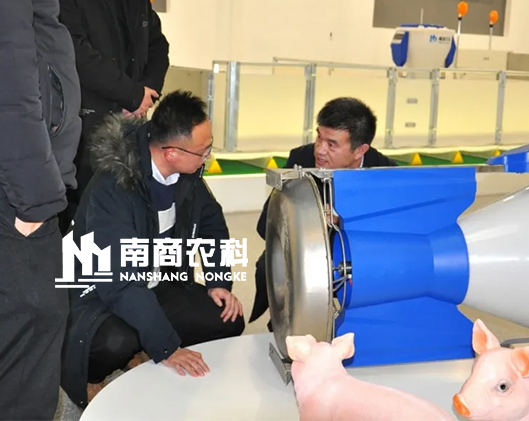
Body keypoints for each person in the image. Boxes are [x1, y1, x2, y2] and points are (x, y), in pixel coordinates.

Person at [60, 90, 245, 408]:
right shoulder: (114, 186)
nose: (208, 157)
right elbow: (119, 282)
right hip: (98, 293)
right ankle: (94, 375)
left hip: (156, 282)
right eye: (204, 151)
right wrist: (167, 347)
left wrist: (217, 280)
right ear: (172, 152)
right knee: (117, 341)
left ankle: (142, 347)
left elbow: (212, 227)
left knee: (227, 318)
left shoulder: (188, 176)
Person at [0, 0, 82, 419]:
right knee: (27, 353)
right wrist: (37, 199)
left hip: (17, 181)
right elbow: (10, 72)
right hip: (18, 188)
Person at [249, 97, 398, 329]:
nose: (320, 149)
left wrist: (345, 221)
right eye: (319, 137)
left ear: (360, 150)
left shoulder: (385, 174)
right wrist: (309, 218)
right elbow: (266, 225)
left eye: (332, 144)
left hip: (359, 257)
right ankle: (287, 323)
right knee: (271, 267)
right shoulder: (301, 160)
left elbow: (392, 235)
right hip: (305, 252)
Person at [49, 0, 170, 233]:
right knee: (81, 219)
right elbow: (75, 52)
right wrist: (132, 94)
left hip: (133, 123)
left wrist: (145, 93)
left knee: (126, 216)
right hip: (82, 127)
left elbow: (158, 45)